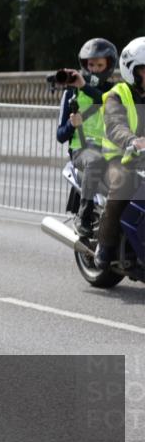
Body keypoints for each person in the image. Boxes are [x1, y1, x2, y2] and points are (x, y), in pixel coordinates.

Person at [55, 38, 120, 237]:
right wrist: (70, 125)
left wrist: (84, 86)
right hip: (83, 150)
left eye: (100, 65)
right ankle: (84, 216)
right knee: (94, 159)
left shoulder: (114, 91)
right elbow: (60, 135)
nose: (94, 69)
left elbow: (103, 99)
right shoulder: (71, 94)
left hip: (111, 150)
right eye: (91, 65)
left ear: (108, 66)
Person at [95, 36, 145, 269]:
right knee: (123, 183)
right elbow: (115, 124)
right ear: (132, 71)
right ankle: (104, 246)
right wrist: (133, 141)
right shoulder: (117, 94)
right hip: (121, 158)